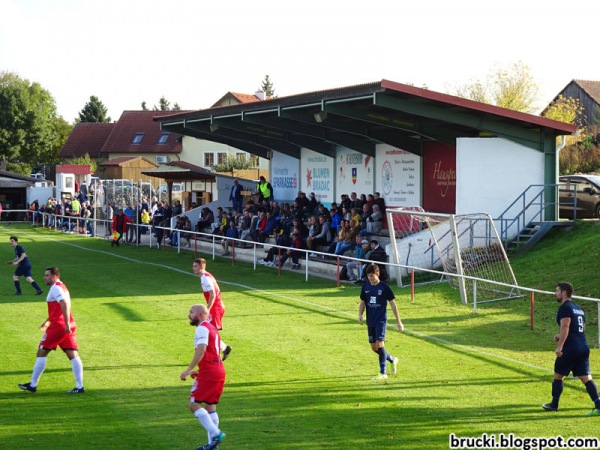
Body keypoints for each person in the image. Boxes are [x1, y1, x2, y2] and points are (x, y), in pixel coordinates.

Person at [18, 266, 85, 394]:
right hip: (68, 323)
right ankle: (80, 386)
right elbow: (58, 308)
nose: (44, 278)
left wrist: (64, 324)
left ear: (54, 276)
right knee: (72, 354)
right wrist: (48, 320)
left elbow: (64, 304)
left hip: (59, 326)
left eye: (47, 275)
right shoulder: (63, 286)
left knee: (41, 352)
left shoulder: (55, 288)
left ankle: (32, 385)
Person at [542, 282, 600, 415]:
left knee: (558, 376)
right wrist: (560, 335)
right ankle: (598, 404)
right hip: (583, 346)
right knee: (586, 378)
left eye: (557, 291)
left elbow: (566, 326)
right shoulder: (578, 308)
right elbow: (581, 328)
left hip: (570, 348)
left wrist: (560, 346)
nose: (555, 293)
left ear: (564, 293)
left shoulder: (565, 307)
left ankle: (554, 404)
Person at [180, 303, 226, 450]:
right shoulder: (213, 329)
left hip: (210, 372)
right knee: (210, 406)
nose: (189, 315)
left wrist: (188, 369)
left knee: (194, 404)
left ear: (200, 314)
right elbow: (214, 353)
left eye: (191, 312)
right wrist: (200, 371)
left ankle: (215, 434)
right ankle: (213, 446)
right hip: (217, 370)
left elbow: (201, 349)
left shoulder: (202, 328)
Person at [358, 264, 403, 380]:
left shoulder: (384, 287)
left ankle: (382, 373)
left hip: (381, 321)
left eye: (372, 276)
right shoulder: (366, 287)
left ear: (377, 274)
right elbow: (363, 302)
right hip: (370, 321)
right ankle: (392, 359)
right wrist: (360, 315)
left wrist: (399, 321)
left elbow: (393, 304)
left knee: (380, 344)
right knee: (374, 348)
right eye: (368, 276)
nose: (370, 278)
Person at [192, 258, 232, 360]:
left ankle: (215, 357)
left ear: (201, 267)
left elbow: (213, 294)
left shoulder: (205, 278)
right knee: (209, 331)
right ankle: (224, 348)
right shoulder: (205, 276)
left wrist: (207, 309)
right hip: (216, 307)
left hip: (216, 308)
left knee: (210, 332)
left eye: (195, 266)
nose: (193, 268)